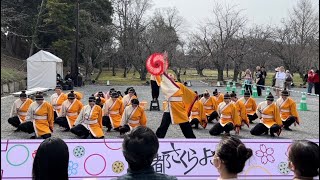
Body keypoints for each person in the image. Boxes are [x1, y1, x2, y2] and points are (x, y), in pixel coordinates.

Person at [154, 71, 197, 139]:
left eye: (171, 75)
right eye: (169, 75)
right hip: (169, 107)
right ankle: (157, 139)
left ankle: (192, 140)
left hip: (179, 107)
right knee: (164, 124)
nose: (170, 76)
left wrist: (195, 96)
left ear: (174, 78)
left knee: (185, 125)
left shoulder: (179, 85)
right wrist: (158, 72)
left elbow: (189, 93)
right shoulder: (165, 85)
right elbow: (159, 80)